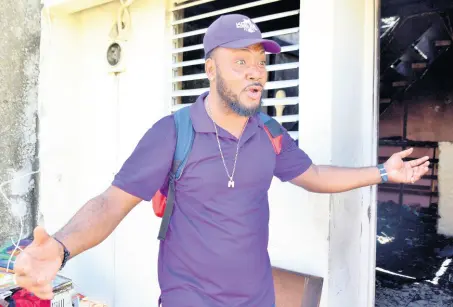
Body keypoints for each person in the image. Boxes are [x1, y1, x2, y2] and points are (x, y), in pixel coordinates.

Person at [13, 14, 430, 306]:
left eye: (261, 62)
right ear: (210, 68)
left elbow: (314, 174)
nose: (257, 72)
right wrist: (63, 248)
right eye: (241, 61)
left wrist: (382, 171)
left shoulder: (269, 132)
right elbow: (110, 202)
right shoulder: (172, 133)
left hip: (256, 299)